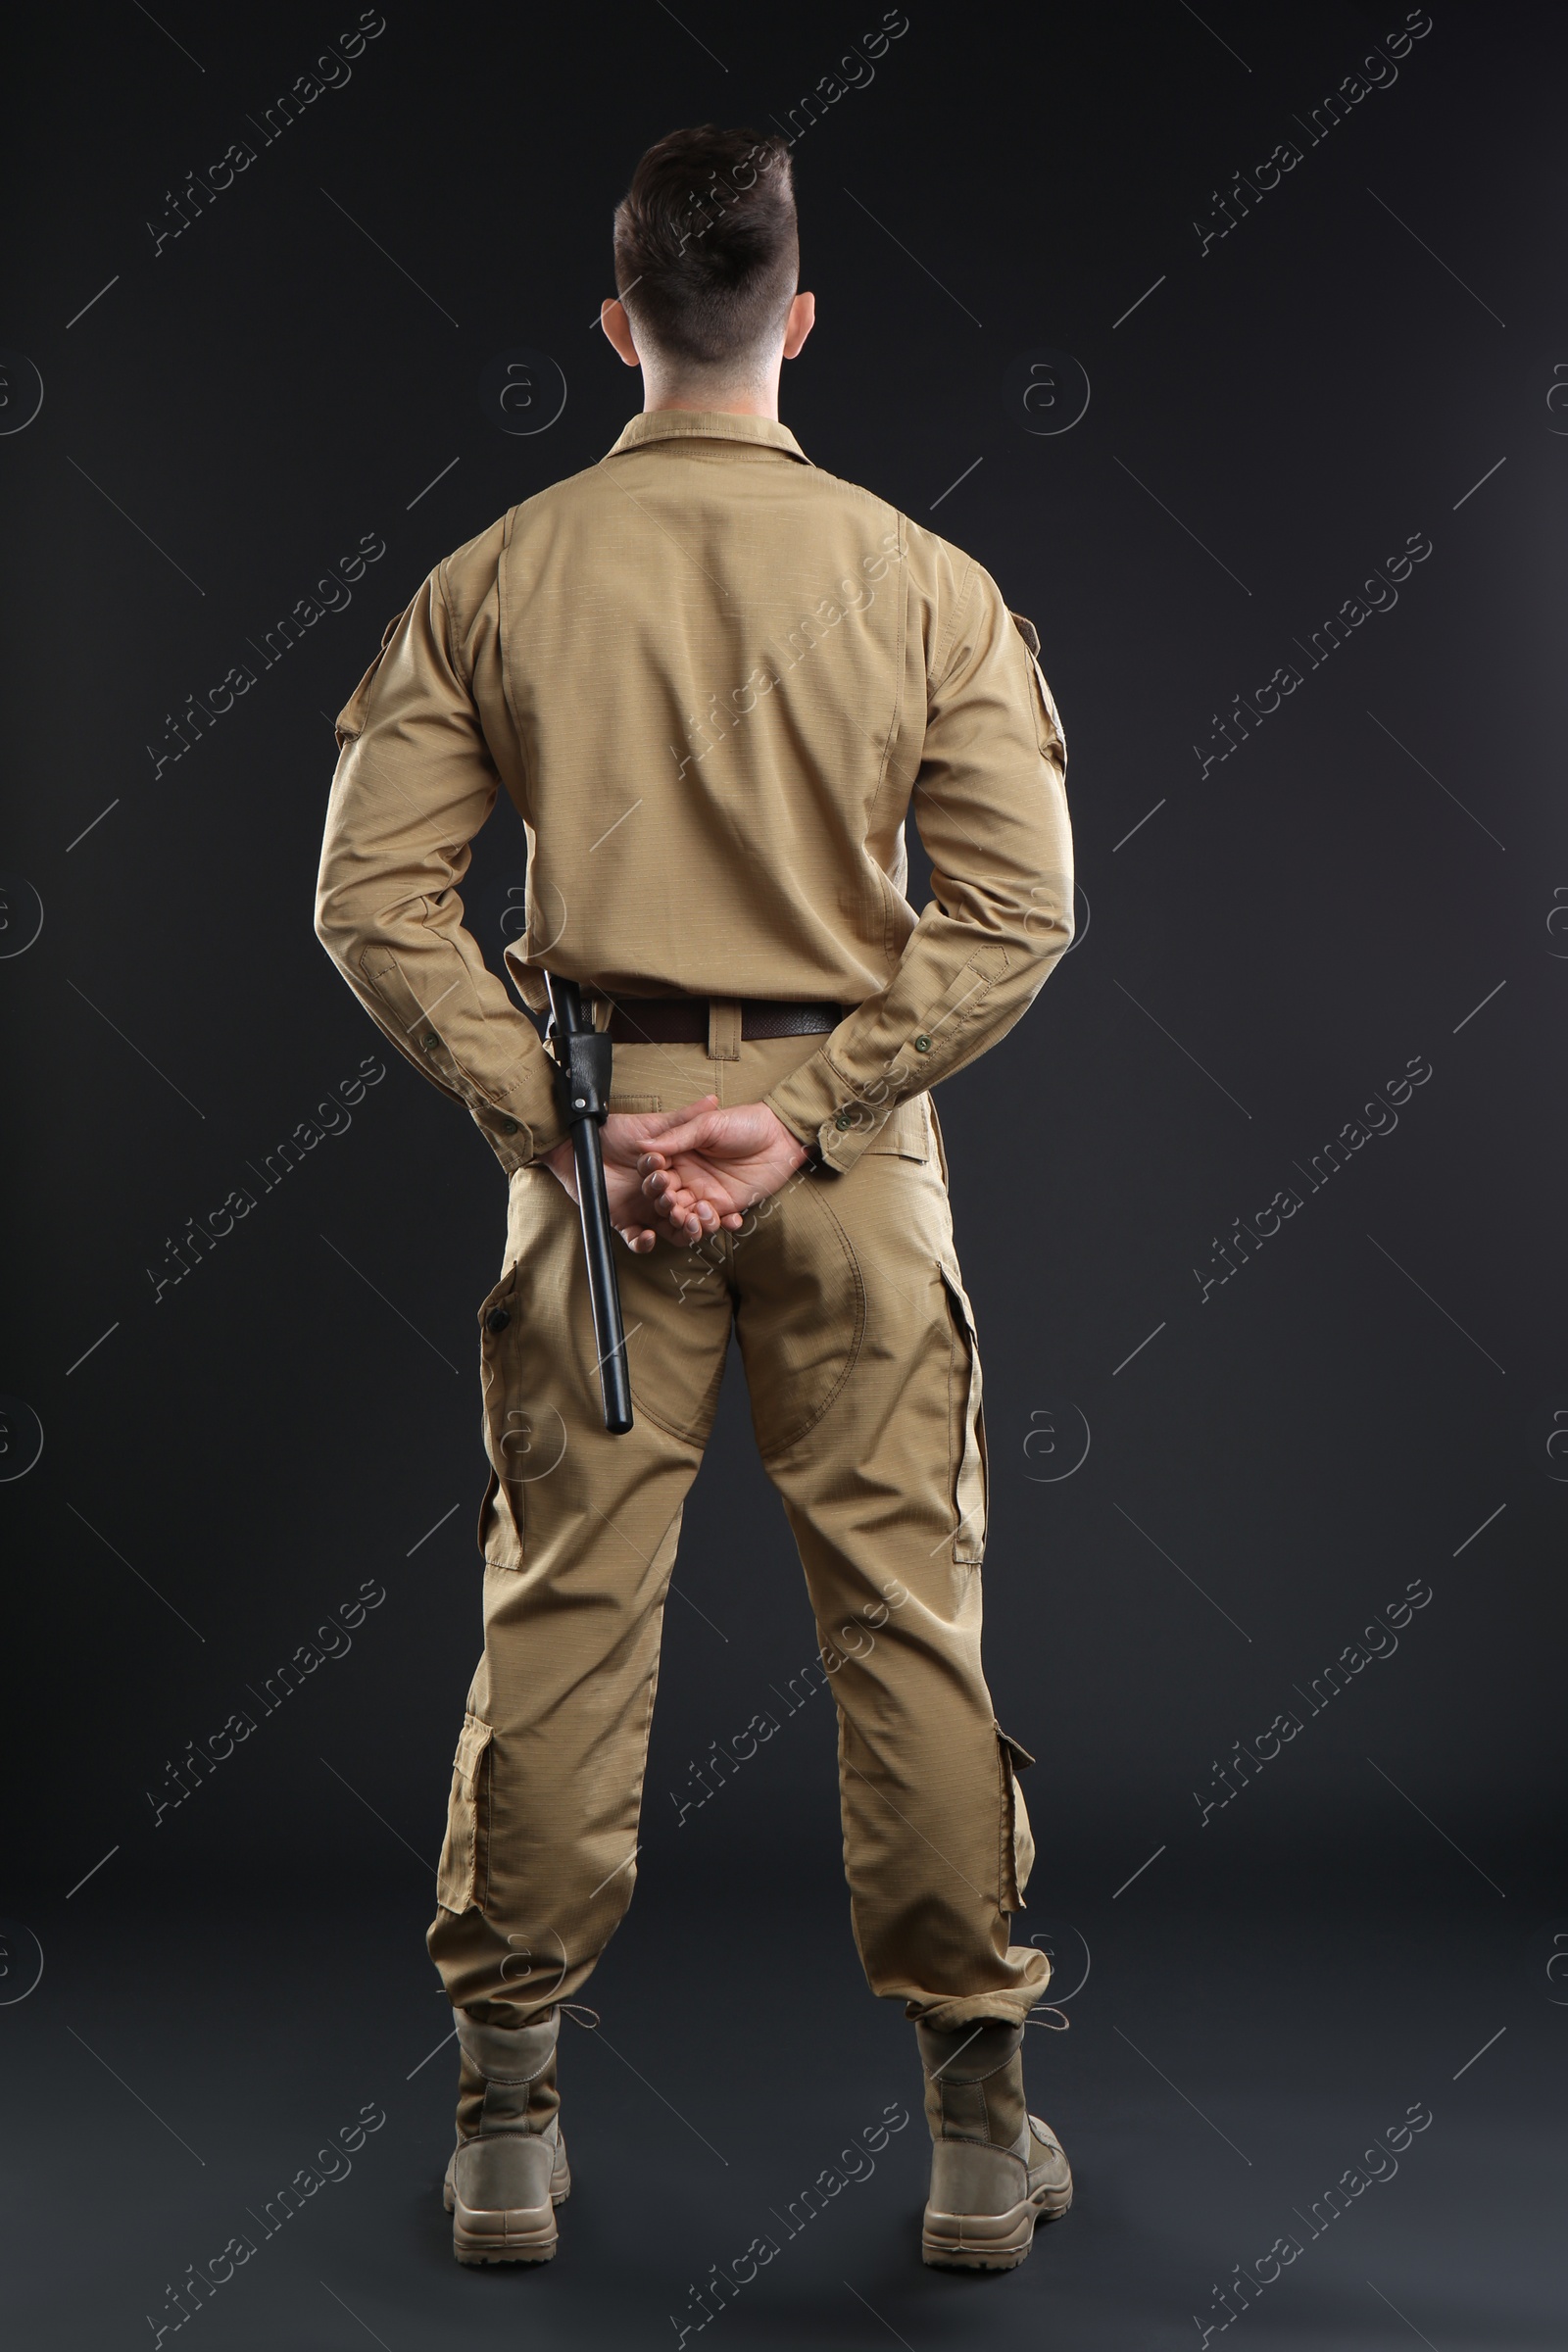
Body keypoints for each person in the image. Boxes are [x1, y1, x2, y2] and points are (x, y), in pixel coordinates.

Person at [314, 122, 1076, 2275]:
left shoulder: (496, 574)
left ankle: (503, 2135)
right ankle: (969, 2138)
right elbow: (1016, 916)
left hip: (587, 1156)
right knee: (905, 1623)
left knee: (558, 1612)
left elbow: (369, 897)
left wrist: (550, 1123)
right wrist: (815, 1107)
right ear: (798, 317)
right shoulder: (926, 583)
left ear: (618, 321)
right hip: (851, 1173)